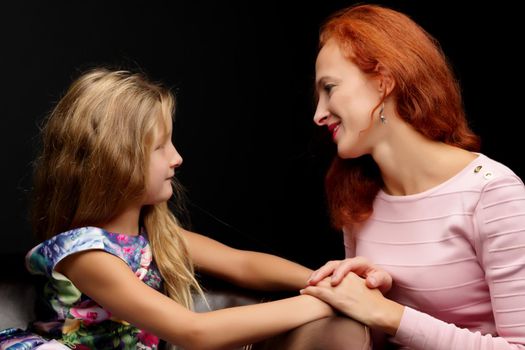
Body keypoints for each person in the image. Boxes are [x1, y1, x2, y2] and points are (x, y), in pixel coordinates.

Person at [0, 68, 371, 349]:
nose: (177, 158)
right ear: (116, 160)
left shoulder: (154, 236)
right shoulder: (85, 254)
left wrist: (330, 279)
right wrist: (327, 301)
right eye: (160, 147)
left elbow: (243, 265)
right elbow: (192, 331)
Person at [301, 4, 525, 350]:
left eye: (329, 88)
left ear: (383, 83)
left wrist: (388, 314)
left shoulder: (493, 192)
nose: (318, 114)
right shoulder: (358, 196)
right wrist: (353, 295)